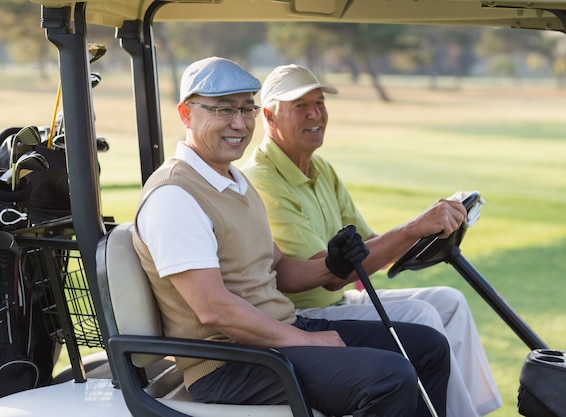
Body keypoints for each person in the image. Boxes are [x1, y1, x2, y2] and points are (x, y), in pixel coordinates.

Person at [131, 56, 451, 417]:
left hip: (276, 335)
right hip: (228, 363)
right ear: (186, 114)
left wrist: (332, 265)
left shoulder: (234, 181)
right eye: (222, 110)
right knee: (389, 378)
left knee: (427, 347)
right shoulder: (175, 195)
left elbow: (279, 268)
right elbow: (214, 309)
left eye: (246, 108)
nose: (239, 123)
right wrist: (304, 340)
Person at [241, 64, 502, 416]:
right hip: (303, 313)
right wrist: (415, 227)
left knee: (448, 300)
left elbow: (371, 243)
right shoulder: (263, 179)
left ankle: (472, 411)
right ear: (269, 119)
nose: (315, 114)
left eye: (319, 103)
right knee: (421, 315)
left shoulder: (321, 170)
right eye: (300, 106)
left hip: (339, 302)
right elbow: (333, 273)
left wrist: (434, 228)